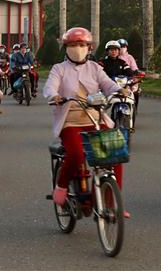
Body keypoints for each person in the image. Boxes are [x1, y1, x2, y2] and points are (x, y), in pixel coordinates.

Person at [43, 27, 131, 218]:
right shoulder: (59, 69)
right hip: (70, 121)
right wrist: (55, 96)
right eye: (73, 45)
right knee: (76, 154)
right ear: (66, 47)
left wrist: (118, 90)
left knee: (115, 152)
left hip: (95, 117)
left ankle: (109, 201)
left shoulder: (95, 68)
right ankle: (61, 186)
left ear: (88, 47)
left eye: (82, 44)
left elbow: (107, 84)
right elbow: (50, 87)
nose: (78, 48)